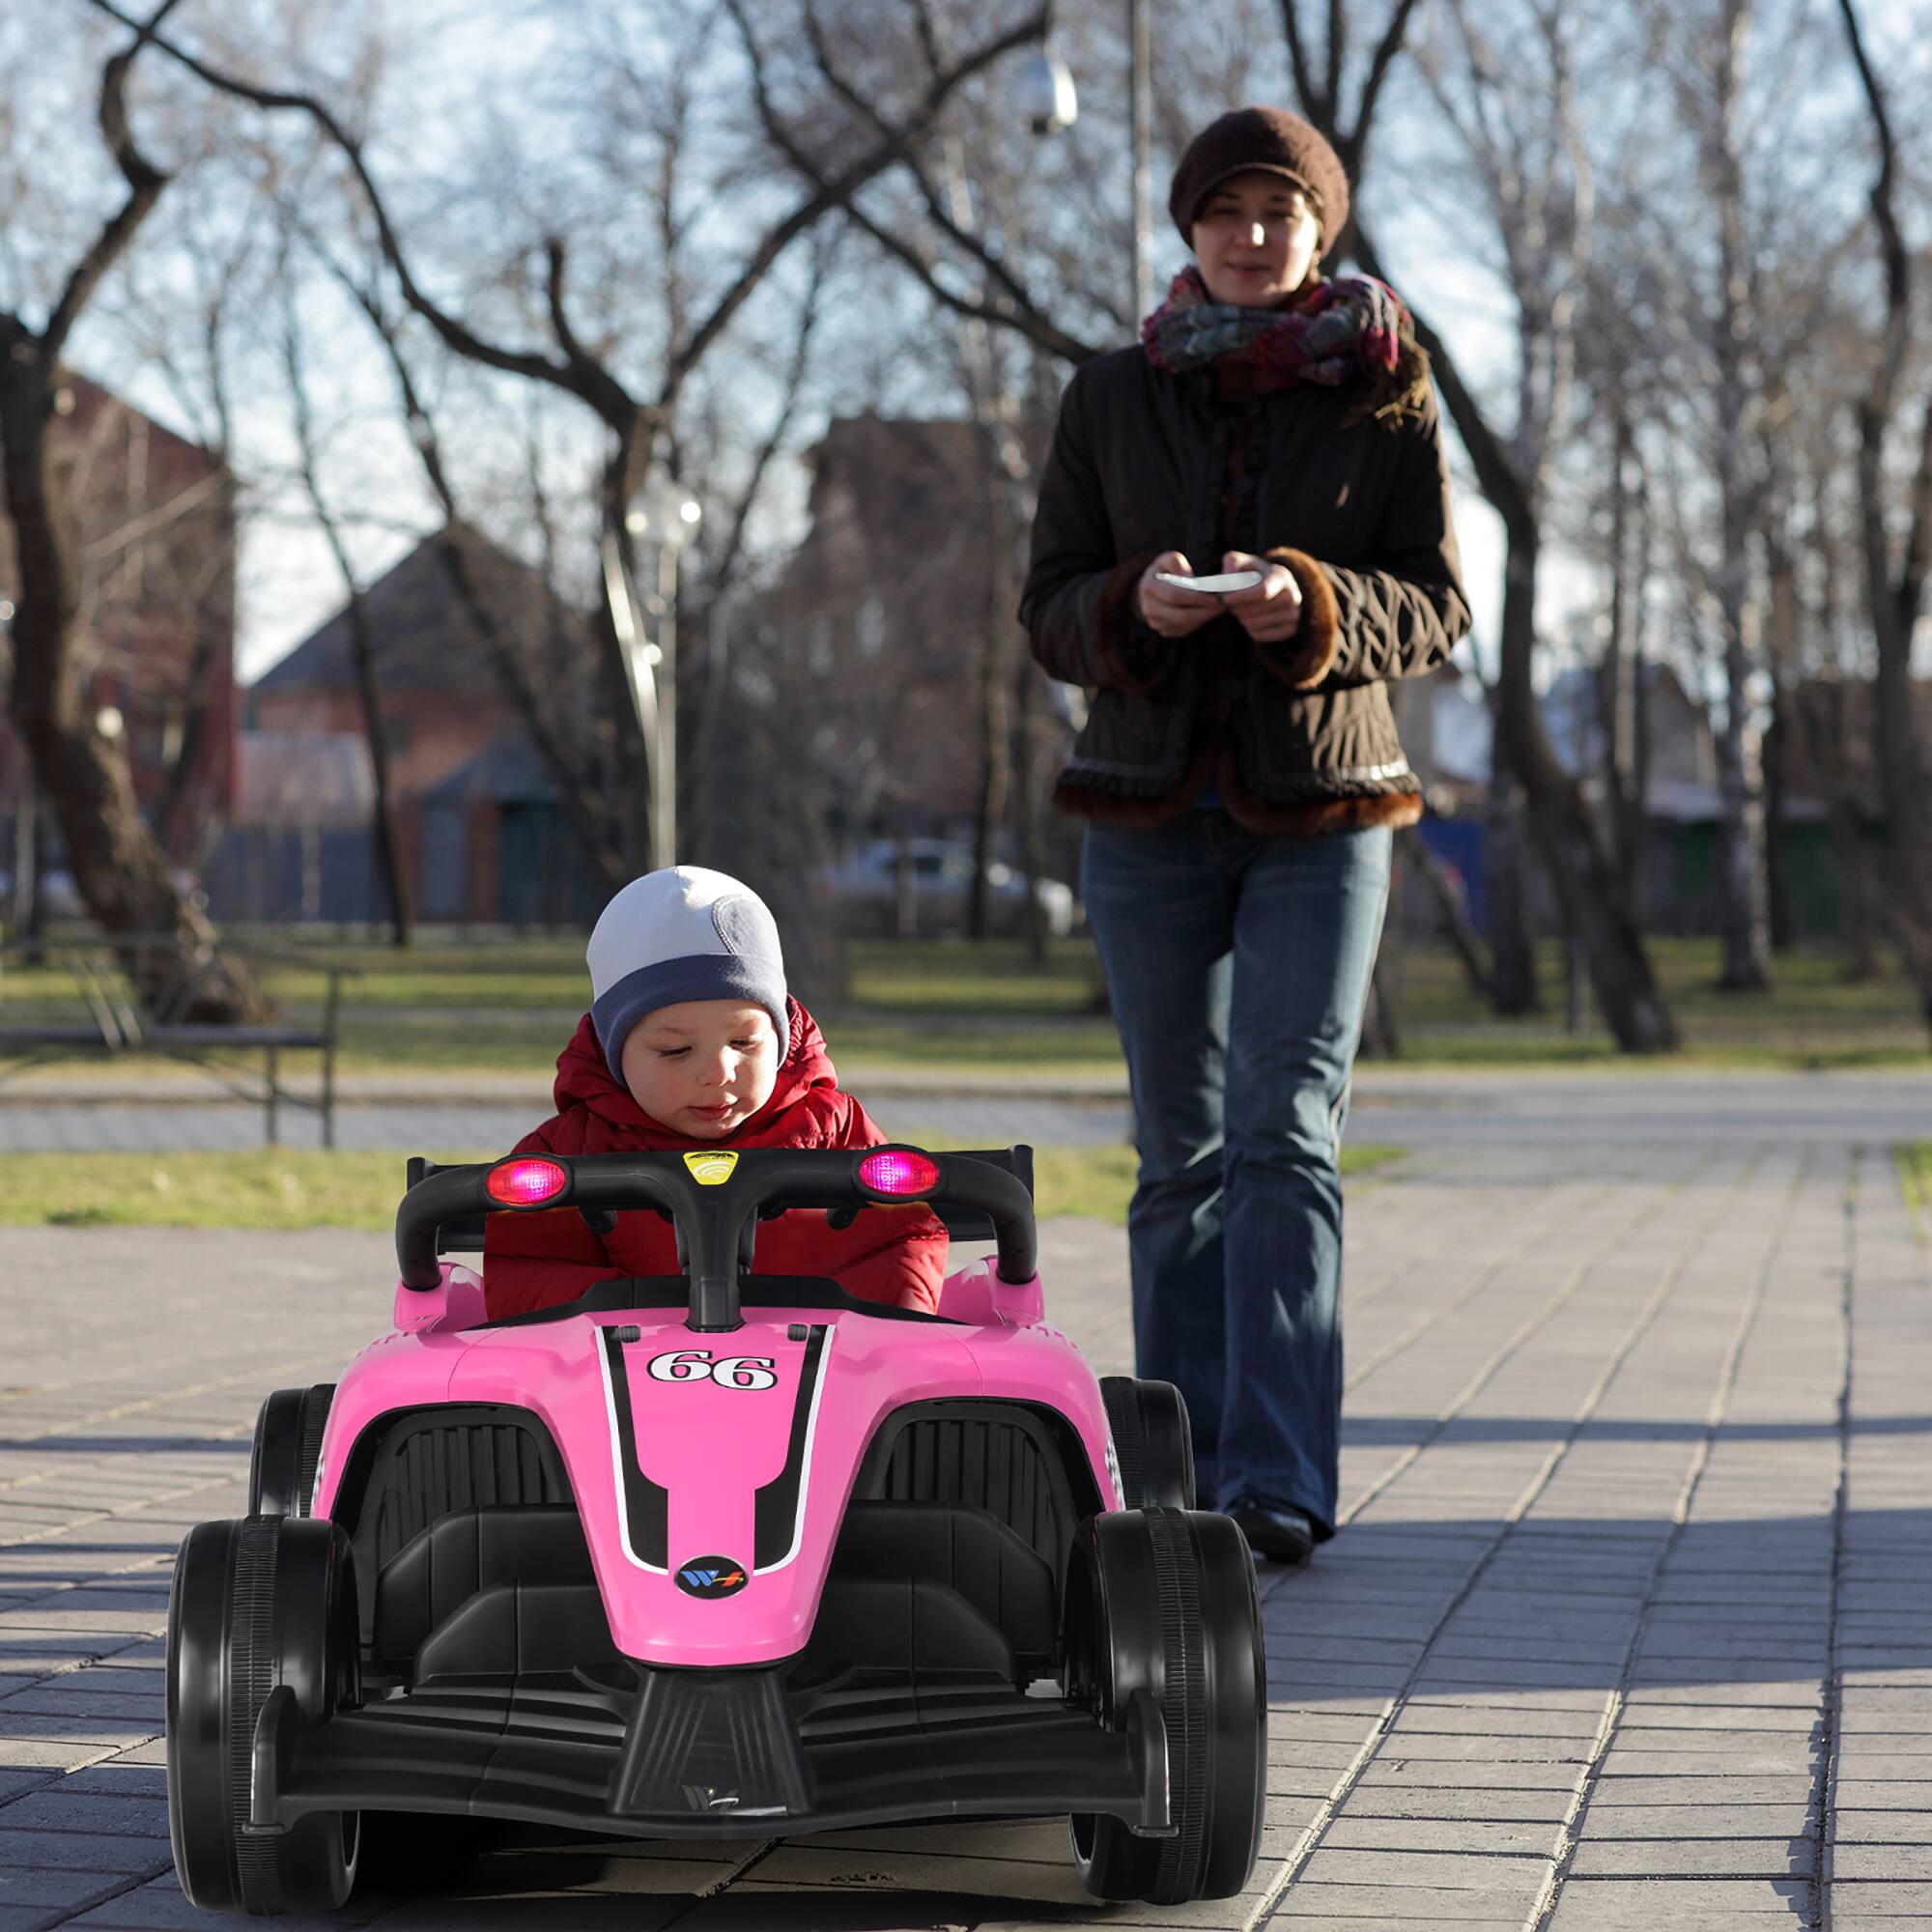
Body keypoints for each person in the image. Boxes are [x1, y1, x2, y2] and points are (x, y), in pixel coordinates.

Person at [1020, 106, 1471, 1566]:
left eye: (1280, 211)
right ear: (1188, 228)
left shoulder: (1388, 391)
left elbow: (1441, 604)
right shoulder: (1108, 395)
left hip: (1325, 811)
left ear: (1320, 228)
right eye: (1226, 210)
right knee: (1178, 1158)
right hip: (1146, 816)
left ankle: (1278, 1481)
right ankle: (1180, 1476)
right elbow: (1047, 607)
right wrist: (1125, 611)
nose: (1252, 234)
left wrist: (1315, 604)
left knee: (1288, 1139)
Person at [483, 866, 946, 1321]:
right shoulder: (570, 1152)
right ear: (613, 1052)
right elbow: (530, 1273)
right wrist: (633, 1319)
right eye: (676, 1050)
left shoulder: (832, 1129)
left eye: (744, 1042)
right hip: (626, 1381)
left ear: (781, 1038)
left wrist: (886, 1331)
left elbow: (899, 1241)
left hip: (820, 1379)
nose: (718, 1072)